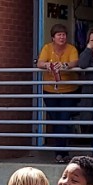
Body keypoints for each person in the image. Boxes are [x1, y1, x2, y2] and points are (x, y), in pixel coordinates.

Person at [36, 25, 80, 160]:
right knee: (55, 120)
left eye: (64, 35)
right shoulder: (47, 48)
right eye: (59, 35)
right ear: (53, 37)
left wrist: (65, 65)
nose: (62, 37)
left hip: (69, 91)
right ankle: (60, 152)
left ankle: (62, 152)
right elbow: (40, 63)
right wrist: (47, 65)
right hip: (50, 90)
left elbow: (75, 62)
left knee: (63, 119)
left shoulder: (71, 49)